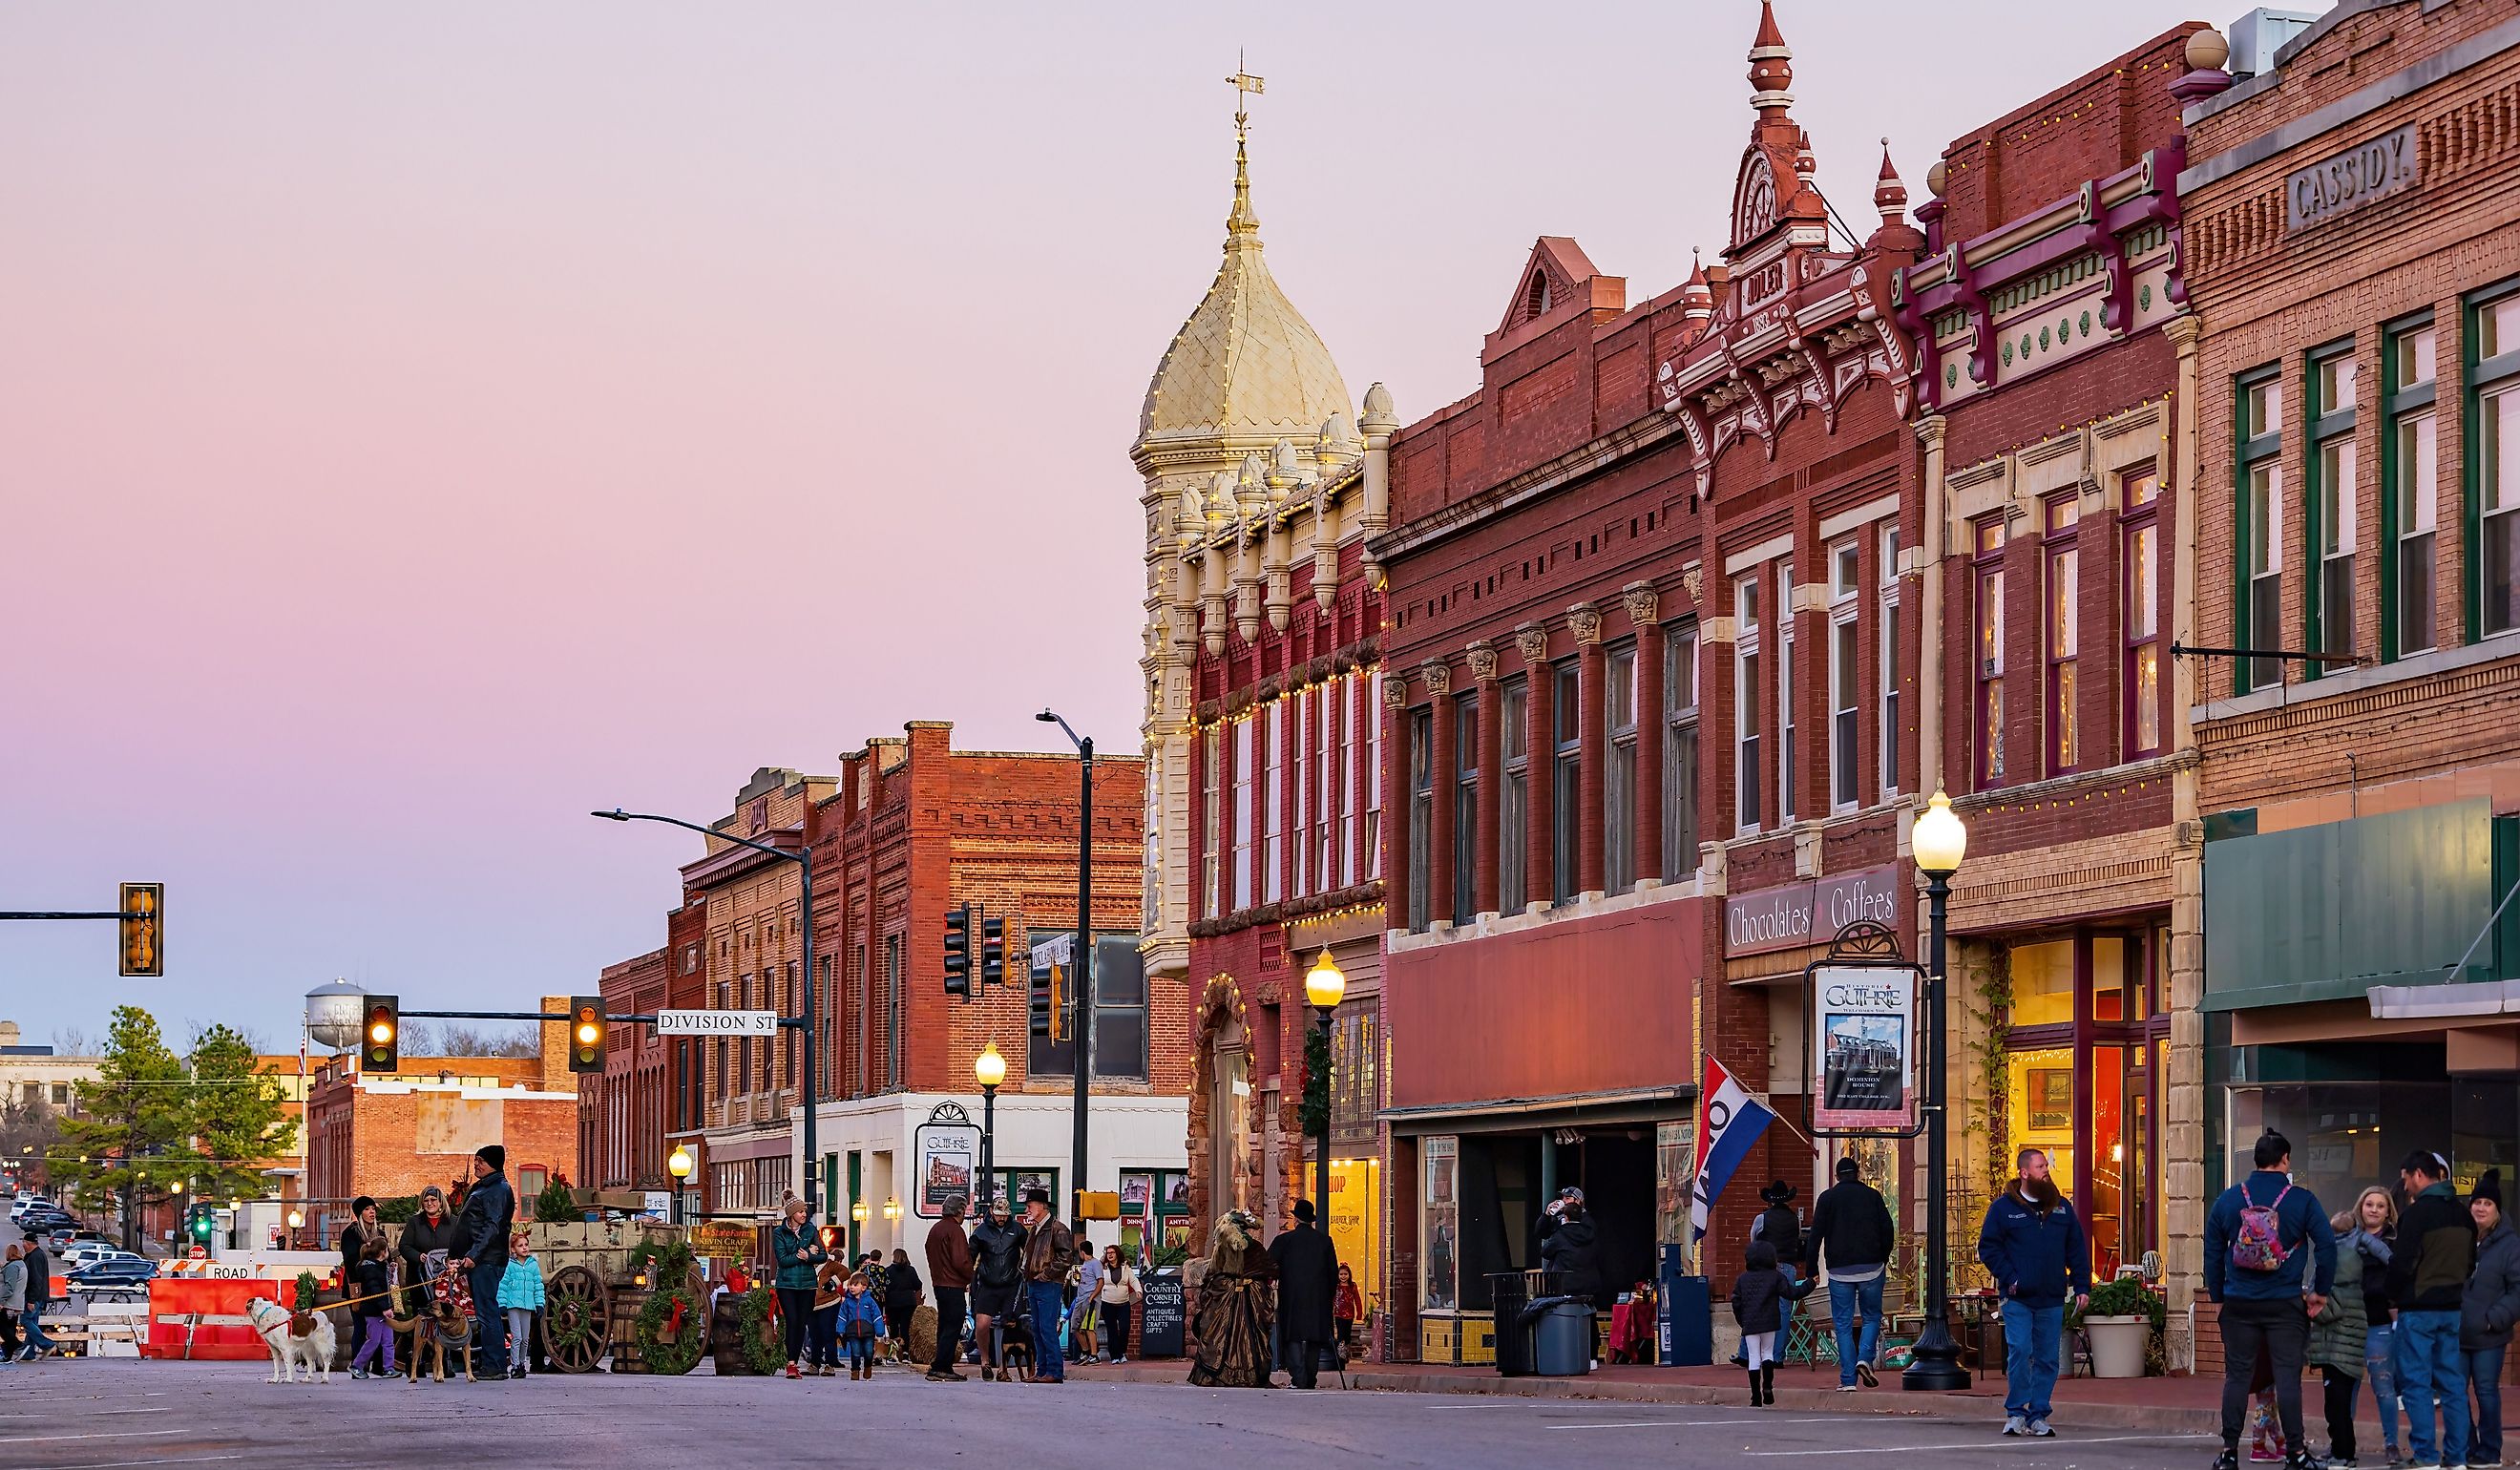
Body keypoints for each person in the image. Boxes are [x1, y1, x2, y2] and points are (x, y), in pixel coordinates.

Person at [2205, 1129, 2336, 1470]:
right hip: (2285, 1302)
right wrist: (2320, 1291)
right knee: (2288, 1378)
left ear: (2256, 1160)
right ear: (2285, 1160)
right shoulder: (2301, 1200)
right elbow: (2326, 1245)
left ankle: (2229, 1453)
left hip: (2239, 1302)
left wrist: (2218, 1296)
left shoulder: (2229, 1199)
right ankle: (2296, 1454)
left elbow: (2213, 1250)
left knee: (2236, 1377)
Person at [1976, 1146, 2090, 1438]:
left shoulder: (2062, 1208)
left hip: (2051, 1295)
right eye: (2040, 1167)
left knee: (2048, 1357)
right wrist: (2011, 1276)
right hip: (2017, 1297)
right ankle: (2016, 1412)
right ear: (2024, 1173)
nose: (2045, 1171)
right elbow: (1988, 1247)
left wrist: (2081, 1286)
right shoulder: (2003, 1209)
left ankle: (2039, 1414)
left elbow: (2076, 1249)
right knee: (2020, 1350)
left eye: (2045, 1167)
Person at [2388, 1149, 2477, 1470]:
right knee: (2453, 1385)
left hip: (2418, 1309)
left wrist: (2394, 1295)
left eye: (2406, 1179)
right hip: (2451, 1309)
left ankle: (2425, 1455)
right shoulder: (2463, 1214)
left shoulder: (2416, 1215)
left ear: (2418, 1175)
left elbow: (2401, 1264)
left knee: (2417, 1383)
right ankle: (2457, 1457)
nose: (2406, 1186)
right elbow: (2470, 1263)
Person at [1802, 1155, 1896, 1391]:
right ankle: (1865, 1358)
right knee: (1872, 1316)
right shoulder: (1872, 1196)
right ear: (1858, 1174)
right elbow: (1888, 1228)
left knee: (1842, 1324)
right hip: (1872, 1267)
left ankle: (1847, 1380)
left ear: (1836, 1177)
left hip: (1839, 1270)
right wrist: (1883, 1257)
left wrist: (1812, 1269)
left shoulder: (1827, 1199)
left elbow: (1815, 1237)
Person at [2308, 1195, 2375, 1468]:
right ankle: (2342, 1451)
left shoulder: (2339, 1279)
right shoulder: (2355, 1280)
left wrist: (2309, 1304)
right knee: (2339, 1404)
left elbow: (2327, 1310)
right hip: (2340, 1348)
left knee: (2337, 1405)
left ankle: (2342, 1454)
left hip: (2337, 1349)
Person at [449, 1144, 516, 1382]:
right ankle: (491, 1362)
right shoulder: (486, 1187)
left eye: (481, 1161)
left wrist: (473, 1255)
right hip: (479, 1259)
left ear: (494, 1164)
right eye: (476, 1160)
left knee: (487, 1312)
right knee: (485, 1311)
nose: (476, 1164)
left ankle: (495, 1365)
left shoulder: (498, 1189)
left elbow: (492, 1227)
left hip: (486, 1260)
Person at [2467, 1170, 2520, 1470]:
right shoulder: (2459, 1239)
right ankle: (2465, 1447)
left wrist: (2493, 1319)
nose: (2481, 1208)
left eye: (2488, 1203)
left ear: (2497, 1210)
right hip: (2457, 1333)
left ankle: (2489, 1452)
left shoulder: (2511, 1245)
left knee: (2486, 1393)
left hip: (2489, 1336)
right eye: (2477, 1202)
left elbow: (2518, 1290)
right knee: (2454, 1394)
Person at [1187, 1209, 1276, 1388]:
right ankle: (1248, 1375)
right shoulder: (1253, 1247)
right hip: (1245, 1295)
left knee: (1222, 1335)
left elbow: (1213, 1270)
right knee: (1246, 1335)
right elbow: (1270, 1269)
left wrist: (1211, 1287)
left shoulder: (1227, 1246)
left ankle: (1223, 1375)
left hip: (1235, 1295)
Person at [1730, 1238, 1814, 1408]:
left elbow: (1736, 1302)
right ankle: (1767, 1387)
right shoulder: (1776, 1277)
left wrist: (1742, 1320)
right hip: (1770, 1320)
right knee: (1768, 1354)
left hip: (1750, 1323)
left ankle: (1755, 1397)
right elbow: (1792, 1293)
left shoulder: (1742, 1279)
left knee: (1754, 1357)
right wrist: (1810, 1283)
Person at [1270, 1198, 1340, 1389]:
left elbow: (1268, 1265)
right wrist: (1328, 1295)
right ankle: (1309, 1378)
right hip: (1317, 1298)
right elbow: (1333, 1273)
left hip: (1291, 1297)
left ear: (1296, 1220)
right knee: (1314, 1338)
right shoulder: (1325, 1242)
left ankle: (1298, 1377)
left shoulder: (1284, 1241)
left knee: (1291, 1336)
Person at [1539, 1187, 1605, 1369]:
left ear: (1578, 1202)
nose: (1564, 1201)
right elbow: (1541, 1231)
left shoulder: (1562, 1232)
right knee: (1589, 1317)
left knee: (1565, 1317)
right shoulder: (1589, 1228)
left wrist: (1554, 1220)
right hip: (1588, 1280)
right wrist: (1547, 1216)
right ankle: (1591, 1357)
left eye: (1568, 1199)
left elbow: (1545, 1250)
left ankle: (1567, 1355)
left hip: (1566, 1282)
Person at [1019, 1188, 1075, 1384]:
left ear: (1042, 1206)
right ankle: (1043, 1370)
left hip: (1048, 1284)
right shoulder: (1036, 1229)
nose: (1027, 1209)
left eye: (1029, 1205)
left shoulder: (1057, 1228)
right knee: (1038, 1328)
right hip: (1035, 1283)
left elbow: (1066, 1257)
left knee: (1046, 1328)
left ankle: (1054, 1370)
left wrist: (1046, 1274)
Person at [970, 1196, 1026, 1382]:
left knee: (1009, 1325)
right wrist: (967, 1278)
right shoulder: (981, 1232)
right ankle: (985, 1361)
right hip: (988, 1283)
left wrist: (1025, 1270)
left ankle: (1004, 1368)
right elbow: (971, 1256)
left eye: (1005, 1215)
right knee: (982, 1324)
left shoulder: (1017, 1229)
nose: (1001, 1218)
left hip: (1011, 1283)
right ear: (992, 1212)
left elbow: (1029, 1251)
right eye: (998, 1215)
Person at [769, 1196, 827, 1381]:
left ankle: (793, 1363)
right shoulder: (779, 1233)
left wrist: (809, 1256)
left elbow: (823, 1255)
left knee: (802, 1323)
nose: (804, 1214)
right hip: (787, 1284)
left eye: (805, 1211)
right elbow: (783, 1260)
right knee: (792, 1320)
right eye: (801, 1211)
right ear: (792, 1214)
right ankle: (791, 1362)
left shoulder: (811, 1230)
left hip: (808, 1284)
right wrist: (803, 1254)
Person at [924, 1194, 975, 1383]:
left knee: (944, 1326)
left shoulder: (936, 1229)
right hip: (953, 1285)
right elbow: (960, 1260)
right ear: (959, 1211)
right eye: (964, 1211)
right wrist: (970, 1276)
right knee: (953, 1326)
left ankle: (940, 1365)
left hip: (939, 1284)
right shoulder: (955, 1231)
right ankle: (942, 1366)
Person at [493, 1228, 544, 1382]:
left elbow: (538, 1285)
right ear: (513, 1249)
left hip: (527, 1305)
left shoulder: (533, 1265)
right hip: (513, 1305)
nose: (524, 1248)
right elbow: (503, 1285)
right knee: (517, 1337)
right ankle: (515, 1365)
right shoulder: (509, 1265)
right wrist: (502, 1303)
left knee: (526, 1338)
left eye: (526, 1244)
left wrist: (539, 1303)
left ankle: (522, 1363)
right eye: (520, 1245)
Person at [348, 1234, 401, 1380]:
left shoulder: (380, 1266)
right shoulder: (370, 1269)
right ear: (383, 1252)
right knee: (374, 1340)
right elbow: (375, 1290)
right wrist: (385, 1307)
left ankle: (388, 1368)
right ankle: (357, 1365)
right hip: (374, 1312)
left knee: (388, 1341)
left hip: (384, 1310)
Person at [834, 1270, 887, 1380]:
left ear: (863, 1287)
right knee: (855, 1352)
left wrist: (880, 1331)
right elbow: (842, 1317)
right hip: (852, 1332)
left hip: (868, 1332)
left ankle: (868, 1367)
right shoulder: (847, 1302)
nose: (851, 1287)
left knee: (868, 1352)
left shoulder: (870, 1301)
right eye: (850, 1285)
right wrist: (840, 1330)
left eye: (854, 1285)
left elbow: (877, 1316)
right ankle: (855, 1370)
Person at [1097, 1245, 1141, 1365]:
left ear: (1117, 1254)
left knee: (1125, 1328)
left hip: (1123, 1303)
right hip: (1107, 1302)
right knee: (1112, 1331)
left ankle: (1122, 1352)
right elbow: (1098, 1281)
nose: (1110, 1255)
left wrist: (1138, 1290)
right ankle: (1114, 1356)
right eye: (1108, 1253)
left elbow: (1133, 1280)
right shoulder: (1103, 1267)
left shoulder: (1125, 1267)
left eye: (1112, 1252)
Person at [18, 1237, 56, 1360]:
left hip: (34, 1297)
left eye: (23, 1242)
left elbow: (36, 1279)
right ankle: (28, 1354)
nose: (22, 1245)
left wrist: (31, 1300)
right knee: (32, 1323)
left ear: (28, 1243)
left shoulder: (35, 1257)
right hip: (39, 1296)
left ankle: (47, 1344)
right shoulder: (37, 1255)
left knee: (26, 1320)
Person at [884, 1248, 922, 1365]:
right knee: (905, 1328)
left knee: (894, 1328)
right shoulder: (910, 1270)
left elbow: (885, 1286)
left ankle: (892, 1354)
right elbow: (918, 1285)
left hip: (893, 1302)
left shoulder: (888, 1270)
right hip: (908, 1302)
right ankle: (905, 1353)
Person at [1069, 1235, 1103, 1363]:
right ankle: (1085, 1351)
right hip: (1080, 1298)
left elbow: (1100, 1282)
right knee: (1075, 1326)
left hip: (1090, 1299)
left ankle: (1094, 1355)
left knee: (1089, 1327)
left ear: (1082, 1252)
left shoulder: (1095, 1263)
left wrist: (1092, 1297)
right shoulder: (1084, 1264)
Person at [1754, 1180, 1803, 1268]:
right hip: (1789, 1264)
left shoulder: (1761, 1218)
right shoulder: (1795, 1219)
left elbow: (1754, 1241)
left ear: (1772, 1201)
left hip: (1768, 1265)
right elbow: (1797, 1237)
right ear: (1787, 1200)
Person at [1333, 1262, 1365, 1360]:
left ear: (1349, 1275)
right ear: (1338, 1275)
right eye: (1341, 1274)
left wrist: (1359, 1314)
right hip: (1338, 1314)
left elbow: (1357, 1300)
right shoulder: (1336, 1286)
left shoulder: (1352, 1286)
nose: (1343, 1276)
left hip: (1349, 1314)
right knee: (1341, 1334)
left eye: (1345, 1274)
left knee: (1347, 1335)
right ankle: (1340, 1355)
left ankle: (1346, 1353)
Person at [2, 1243, 28, 1362]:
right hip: (17, 1303)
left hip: (9, 1304)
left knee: (3, 1328)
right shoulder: (21, 1264)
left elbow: (9, 1286)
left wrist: (1, 1300)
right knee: (10, 1329)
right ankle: (8, 1356)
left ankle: (18, 1346)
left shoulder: (13, 1267)